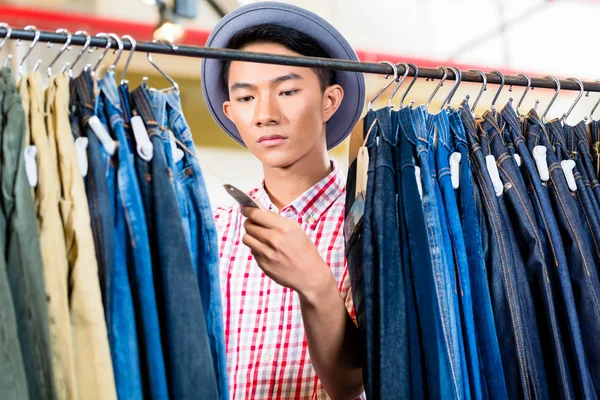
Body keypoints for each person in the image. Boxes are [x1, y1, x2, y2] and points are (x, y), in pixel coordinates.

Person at [201, 2, 367, 399]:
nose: (265, 115)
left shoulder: (371, 227)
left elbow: (356, 383)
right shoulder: (214, 233)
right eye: (245, 98)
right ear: (230, 112)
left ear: (329, 101)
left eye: (288, 91)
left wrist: (316, 283)